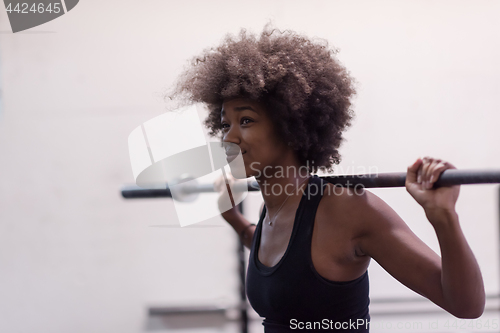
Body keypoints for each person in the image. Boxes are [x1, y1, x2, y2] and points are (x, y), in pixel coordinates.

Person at [169, 25, 485, 332]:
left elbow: (466, 305)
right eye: (226, 125)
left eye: (246, 120)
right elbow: (287, 262)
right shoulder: (274, 208)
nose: (230, 138)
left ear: (290, 125)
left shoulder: (347, 209)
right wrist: (233, 219)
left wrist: (443, 216)